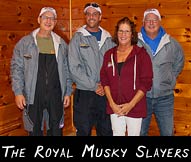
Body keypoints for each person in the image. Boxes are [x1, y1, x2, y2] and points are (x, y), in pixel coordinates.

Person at [10, 7, 73, 136]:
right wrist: (18, 92)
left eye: (52, 19)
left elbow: (67, 70)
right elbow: (17, 69)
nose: (48, 21)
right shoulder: (25, 43)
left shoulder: (61, 44)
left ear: (55, 22)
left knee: (56, 131)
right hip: (33, 96)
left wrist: (67, 92)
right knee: (34, 130)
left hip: (56, 96)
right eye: (45, 17)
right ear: (39, 19)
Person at [100, 17, 153, 136]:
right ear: (116, 33)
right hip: (115, 107)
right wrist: (112, 103)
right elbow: (105, 80)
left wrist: (131, 105)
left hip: (135, 106)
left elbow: (146, 83)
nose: (123, 34)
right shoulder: (109, 54)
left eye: (127, 31)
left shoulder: (141, 55)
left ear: (132, 34)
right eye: (120, 31)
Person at [68, 2, 115, 136]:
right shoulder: (77, 38)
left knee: (106, 131)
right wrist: (94, 86)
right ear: (85, 17)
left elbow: (114, 66)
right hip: (84, 94)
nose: (91, 17)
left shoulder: (109, 39)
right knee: (83, 130)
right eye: (88, 14)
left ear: (100, 17)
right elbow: (74, 67)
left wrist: (105, 86)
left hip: (105, 94)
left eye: (95, 14)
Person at [138, 8, 184, 136]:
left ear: (160, 22)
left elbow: (179, 62)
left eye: (154, 20)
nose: (151, 23)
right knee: (140, 132)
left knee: (167, 133)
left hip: (165, 98)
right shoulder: (134, 43)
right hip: (140, 98)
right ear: (143, 22)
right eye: (148, 20)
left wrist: (170, 77)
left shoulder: (171, 43)